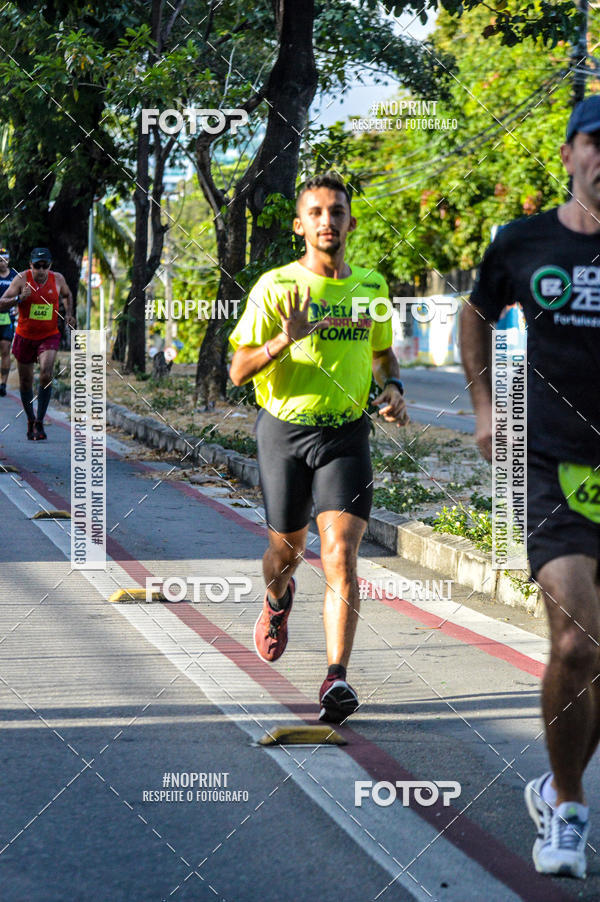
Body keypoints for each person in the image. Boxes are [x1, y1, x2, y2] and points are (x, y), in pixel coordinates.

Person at [461, 96, 600, 879]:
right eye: (595, 143)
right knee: (578, 640)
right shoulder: (523, 241)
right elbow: (475, 312)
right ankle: (572, 806)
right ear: (570, 155)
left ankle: (551, 783)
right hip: (553, 463)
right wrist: (485, 407)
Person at [229, 172, 408, 723]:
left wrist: (393, 387)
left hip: (346, 434)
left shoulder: (373, 287)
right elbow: (238, 370)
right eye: (316, 213)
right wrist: (287, 339)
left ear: (351, 222)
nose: (327, 221)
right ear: (299, 224)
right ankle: (277, 601)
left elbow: (382, 356)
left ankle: (336, 678)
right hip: (284, 432)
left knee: (341, 557)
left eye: (337, 212)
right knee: (285, 555)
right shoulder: (275, 287)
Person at [0, 247, 75, 440]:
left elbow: (67, 295)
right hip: (25, 336)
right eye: (37, 266)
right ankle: (30, 419)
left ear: (49, 266)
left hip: (49, 335)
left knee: (46, 373)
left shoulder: (57, 279)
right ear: (30, 265)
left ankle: (40, 421)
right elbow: (2, 303)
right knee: (25, 382)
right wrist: (19, 298)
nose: (41, 270)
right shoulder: (21, 280)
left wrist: (69, 314)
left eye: (45, 266)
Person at [0, 248, 19, 396]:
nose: (2, 263)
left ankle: (3, 384)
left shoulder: (15, 276)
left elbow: (21, 295)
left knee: (5, 350)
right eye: (0, 260)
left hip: (7, 318)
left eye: (5, 260)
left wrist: (18, 307)